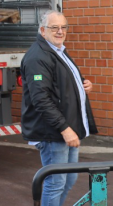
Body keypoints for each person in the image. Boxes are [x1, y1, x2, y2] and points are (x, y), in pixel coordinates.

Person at [20, 11, 96, 206]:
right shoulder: (37, 57)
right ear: (43, 30)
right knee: (56, 182)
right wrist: (64, 128)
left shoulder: (57, 51)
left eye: (63, 27)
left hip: (66, 130)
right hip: (54, 133)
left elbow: (59, 83)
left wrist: (82, 83)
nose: (60, 31)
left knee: (68, 180)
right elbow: (41, 99)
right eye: (54, 27)